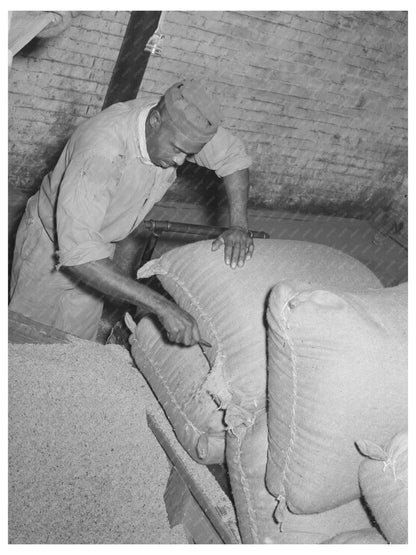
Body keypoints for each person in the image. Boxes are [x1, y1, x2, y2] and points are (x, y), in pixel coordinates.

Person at [9, 80, 254, 344]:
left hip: (99, 250)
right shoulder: (103, 150)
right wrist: (162, 306)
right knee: (25, 343)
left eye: (189, 153)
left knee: (76, 346)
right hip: (49, 245)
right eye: (177, 149)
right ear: (154, 121)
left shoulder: (179, 126)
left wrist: (238, 225)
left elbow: (233, 157)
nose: (181, 161)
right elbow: (77, 253)